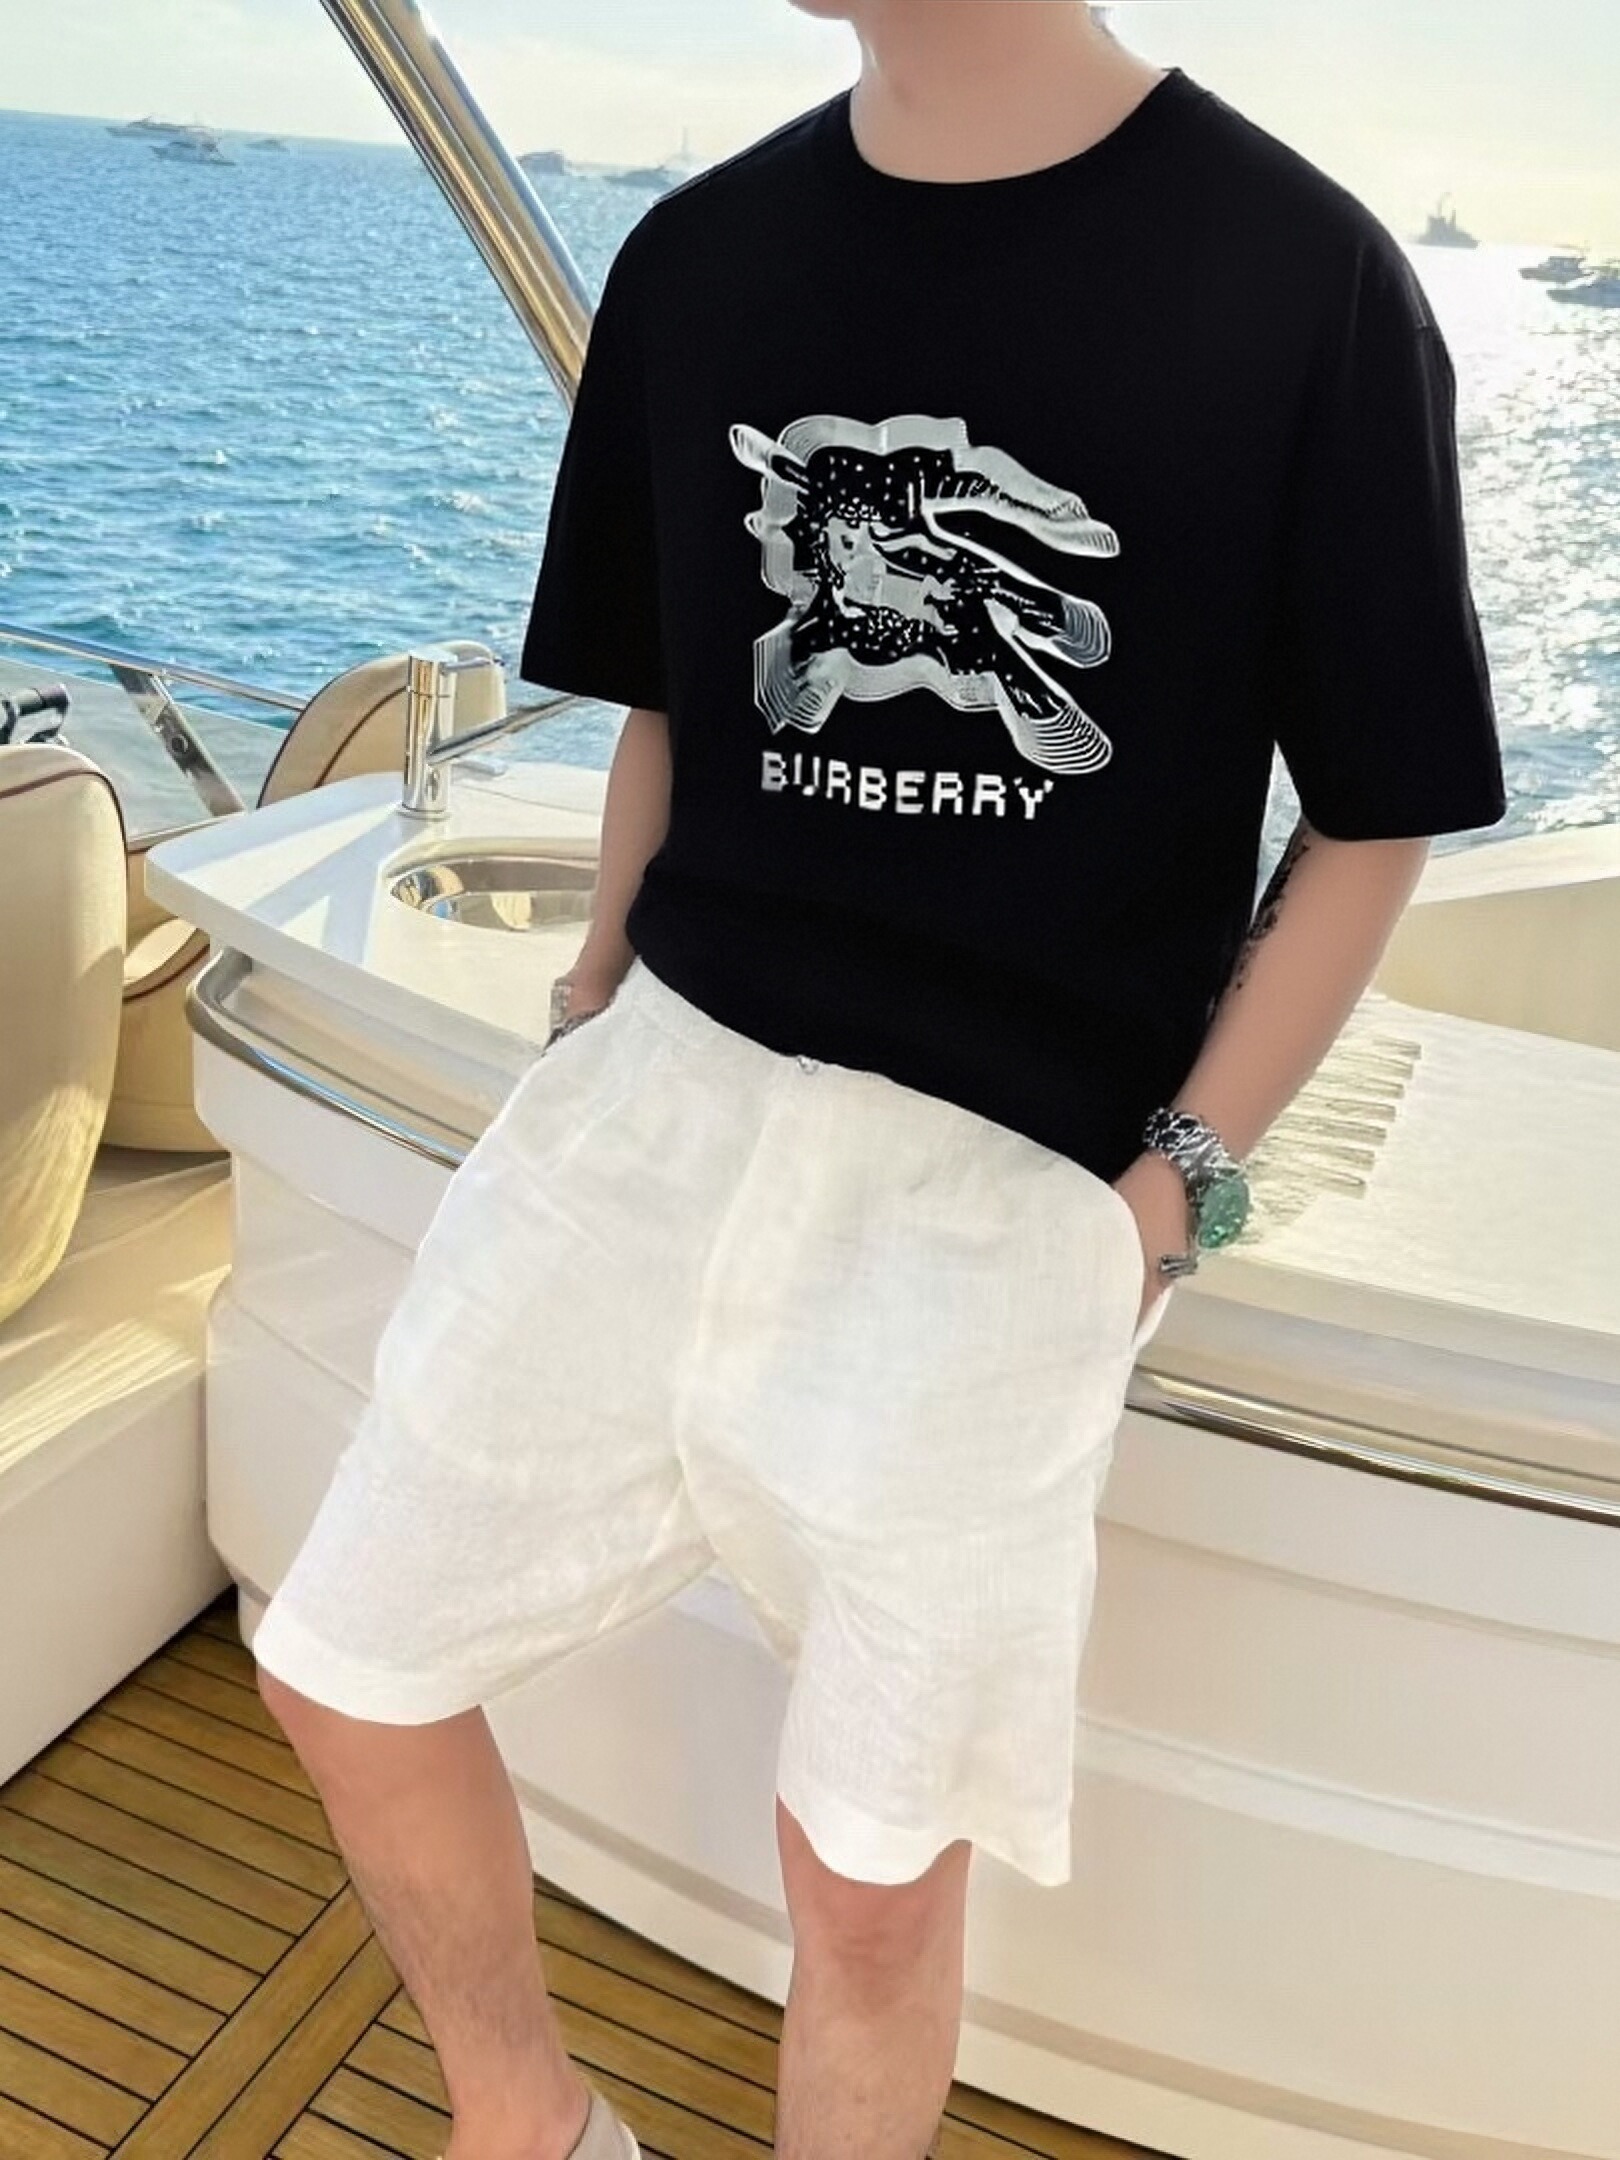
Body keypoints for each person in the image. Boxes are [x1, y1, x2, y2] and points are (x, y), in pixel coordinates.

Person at [251, 4, 1508, 2156]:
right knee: (344, 1659)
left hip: (1006, 1186)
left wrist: (1171, 1191)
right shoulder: (703, 256)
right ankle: (524, 2124)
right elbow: (670, 702)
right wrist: (592, 997)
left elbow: (1374, 815)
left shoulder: (1305, 278)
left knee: (867, 1867)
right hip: (662, 1090)